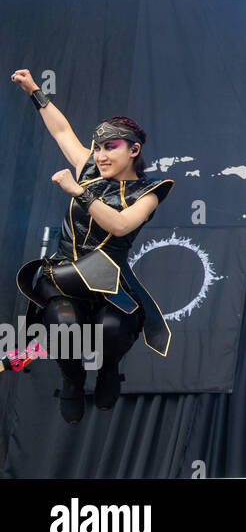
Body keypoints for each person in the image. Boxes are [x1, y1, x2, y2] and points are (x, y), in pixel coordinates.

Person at [10, 69, 174, 424]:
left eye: (110, 147)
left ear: (133, 150)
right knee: (62, 322)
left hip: (107, 278)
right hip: (64, 273)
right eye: (97, 147)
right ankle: (72, 379)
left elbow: (119, 225)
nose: (100, 155)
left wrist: (79, 192)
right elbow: (60, 130)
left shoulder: (148, 192)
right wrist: (34, 90)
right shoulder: (88, 168)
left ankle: (108, 369)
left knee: (112, 330)